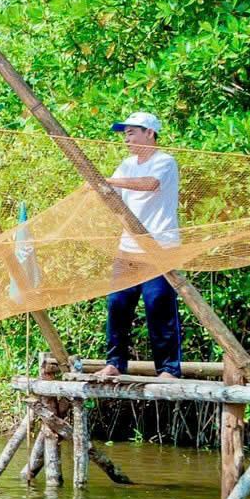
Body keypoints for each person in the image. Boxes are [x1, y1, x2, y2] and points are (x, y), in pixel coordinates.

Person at [94, 111, 183, 379]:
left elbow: (149, 184)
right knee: (117, 303)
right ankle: (115, 363)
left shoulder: (165, 162)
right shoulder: (126, 164)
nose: (127, 138)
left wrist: (108, 181)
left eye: (132, 132)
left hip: (160, 247)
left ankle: (168, 369)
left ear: (150, 134)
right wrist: (99, 188)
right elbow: (113, 195)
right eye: (125, 133)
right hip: (129, 249)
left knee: (158, 304)